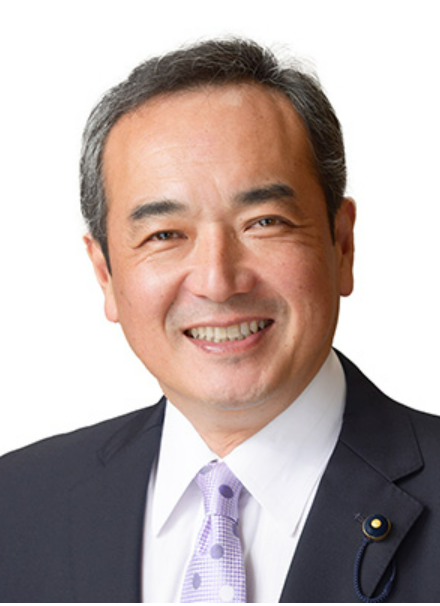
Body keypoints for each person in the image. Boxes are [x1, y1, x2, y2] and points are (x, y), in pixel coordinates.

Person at [0, 38, 439, 604]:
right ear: (105, 273)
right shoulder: (17, 509)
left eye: (264, 222)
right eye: (164, 234)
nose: (218, 280)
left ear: (342, 244)